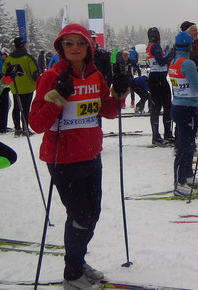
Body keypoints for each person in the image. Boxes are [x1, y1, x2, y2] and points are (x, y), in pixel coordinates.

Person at [28, 23, 129, 290]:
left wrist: (119, 92)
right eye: (69, 43)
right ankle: (72, 275)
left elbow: (108, 111)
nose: (75, 48)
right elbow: (36, 124)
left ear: (89, 47)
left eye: (80, 43)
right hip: (63, 159)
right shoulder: (51, 77)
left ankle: (78, 261)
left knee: (92, 214)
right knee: (80, 216)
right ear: (61, 47)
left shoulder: (95, 75)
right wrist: (58, 97)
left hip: (91, 154)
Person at [169, 31, 198, 197]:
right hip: (186, 108)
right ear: (190, 47)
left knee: (188, 145)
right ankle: (179, 182)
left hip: (178, 106)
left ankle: (187, 176)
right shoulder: (187, 63)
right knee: (185, 147)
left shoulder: (174, 61)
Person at [3, 36, 40, 137]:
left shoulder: (9, 58)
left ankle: (17, 128)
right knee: (26, 109)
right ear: (23, 45)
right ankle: (25, 128)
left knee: (16, 107)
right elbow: (35, 72)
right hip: (27, 87)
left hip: (15, 87)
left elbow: (4, 71)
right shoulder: (28, 57)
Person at [146, 27, 175, 146]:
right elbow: (162, 61)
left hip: (157, 79)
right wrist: (172, 53)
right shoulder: (155, 46)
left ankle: (162, 135)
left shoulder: (150, 46)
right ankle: (160, 135)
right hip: (158, 80)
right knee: (162, 108)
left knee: (159, 108)